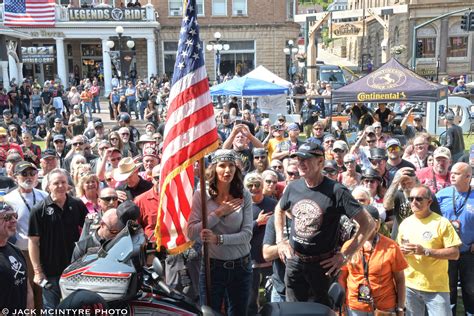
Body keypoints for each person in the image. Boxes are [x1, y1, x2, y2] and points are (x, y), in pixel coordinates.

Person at [275, 142, 375, 305]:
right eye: (298, 159)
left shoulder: (337, 191)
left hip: (322, 266)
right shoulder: (293, 187)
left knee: (322, 310)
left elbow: (368, 224)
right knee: (293, 310)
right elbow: (279, 209)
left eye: (306, 159)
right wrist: (280, 241)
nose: (301, 163)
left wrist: (345, 255)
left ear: (320, 161)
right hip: (295, 261)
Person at [187, 149, 253, 316]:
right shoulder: (201, 195)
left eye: (231, 166)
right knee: (210, 313)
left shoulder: (243, 194)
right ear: (214, 168)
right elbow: (192, 232)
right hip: (212, 267)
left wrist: (218, 239)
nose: (227, 170)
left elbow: (247, 235)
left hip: (241, 267)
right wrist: (217, 214)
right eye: (222, 165)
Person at [28, 168, 88, 309]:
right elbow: (33, 242)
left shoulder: (77, 204)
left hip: (74, 269)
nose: (60, 186)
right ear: (48, 186)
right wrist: (37, 272)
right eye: (56, 183)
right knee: (51, 309)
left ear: (68, 184)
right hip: (50, 271)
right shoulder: (38, 210)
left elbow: (88, 230)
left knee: (76, 307)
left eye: (63, 182)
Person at [397, 184, 461, 316]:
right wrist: (401, 251)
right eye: (411, 199)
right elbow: (398, 250)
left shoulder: (442, 223)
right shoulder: (405, 223)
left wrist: (425, 251)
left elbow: (455, 253)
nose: (414, 202)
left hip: (436, 287)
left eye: (419, 199)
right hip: (410, 286)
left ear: (429, 201)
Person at [339, 205, 408, 316]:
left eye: (366, 221)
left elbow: (400, 280)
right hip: (355, 306)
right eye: (359, 222)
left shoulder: (391, 246)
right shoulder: (348, 246)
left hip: (384, 307)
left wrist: (400, 308)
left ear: (376, 223)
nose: (362, 225)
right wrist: (341, 304)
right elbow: (342, 277)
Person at [4, 161, 47, 309]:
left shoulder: (45, 196)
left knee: (44, 291)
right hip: (22, 252)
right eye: (24, 174)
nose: (29, 177)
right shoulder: (8, 200)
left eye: (32, 173)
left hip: (44, 251)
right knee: (27, 290)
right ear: (15, 177)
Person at [436, 162, 474, 315]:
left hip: (469, 252)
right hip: (447, 251)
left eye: (457, 173)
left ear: (468, 177)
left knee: (470, 288)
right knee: (448, 287)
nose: (451, 175)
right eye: (451, 172)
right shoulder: (441, 194)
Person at [244, 174, 276, 315]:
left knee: (272, 299)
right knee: (251, 301)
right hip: (250, 261)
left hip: (270, 262)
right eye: (250, 185)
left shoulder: (273, 204)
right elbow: (240, 233)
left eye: (257, 185)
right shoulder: (241, 206)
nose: (254, 188)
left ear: (262, 186)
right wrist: (257, 222)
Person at [0, 203, 32, 309]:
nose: (14, 220)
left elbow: (27, 289)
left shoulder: (16, 251)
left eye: (15, 216)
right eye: (7, 217)